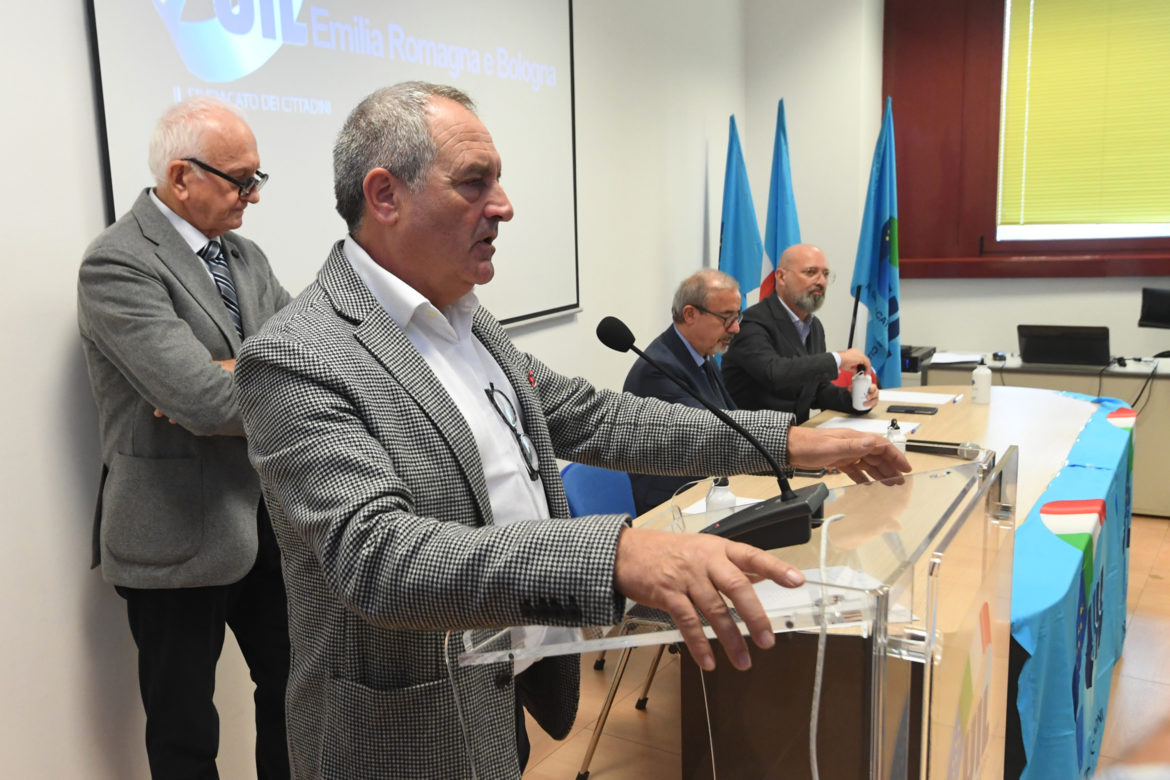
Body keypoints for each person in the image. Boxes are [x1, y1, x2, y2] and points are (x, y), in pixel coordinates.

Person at [234, 81, 910, 780]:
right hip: (402, 733)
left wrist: (786, 443)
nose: (504, 205)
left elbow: (599, 418)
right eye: (474, 182)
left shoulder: (467, 317)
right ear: (385, 196)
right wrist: (616, 553)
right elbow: (379, 557)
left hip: (501, 684)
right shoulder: (296, 355)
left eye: (498, 181)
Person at [77, 97, 292, 779]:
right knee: (185, 737)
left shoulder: (246, 257)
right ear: (180, 177)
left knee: (296, 697)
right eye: (241, 181)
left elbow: (312, 362)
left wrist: (231, 370)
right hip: (171, 535)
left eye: (257, 178)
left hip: (265, 521)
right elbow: (202, 401)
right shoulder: (117, 264)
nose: (253, 196)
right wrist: (231, 380)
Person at [622, 269, 741, 514]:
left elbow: (731, 415)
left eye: (737, 316)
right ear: (690, 314)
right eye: (726, 318)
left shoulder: (702, 354)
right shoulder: (659, 369)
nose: (736, 328)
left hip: (708, 487)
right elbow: (712, 432)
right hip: (673, 504)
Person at [722, 243, 879, 422]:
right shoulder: (751, 322)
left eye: (825, 274)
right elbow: (774, 373)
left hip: (798, 433)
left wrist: (855, 400)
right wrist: (838, 358)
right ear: (781, 277)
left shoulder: (814, 326)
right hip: (753, 434)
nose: (821, 282)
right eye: (811, 272)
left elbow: (815, 391)